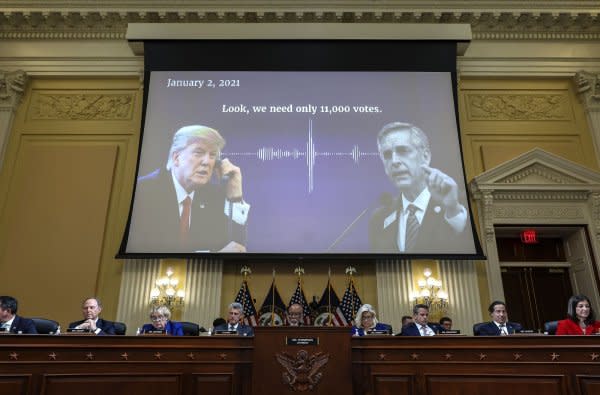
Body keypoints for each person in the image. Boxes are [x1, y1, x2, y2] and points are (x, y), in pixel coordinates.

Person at [129, 125, 250, 253]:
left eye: (212, 155)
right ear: (176, 158)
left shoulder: (212, 196)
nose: (207, 162)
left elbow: (237, 249)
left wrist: (235, 197)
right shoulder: (143, 191)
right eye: (199, 153)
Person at [369, 122, 471, 253]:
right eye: (387, 155)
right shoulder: (379, 219)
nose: (394, 161)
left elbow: (464, 246)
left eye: (403, 151)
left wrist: (452, 209)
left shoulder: (458, 204)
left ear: (425, 156)